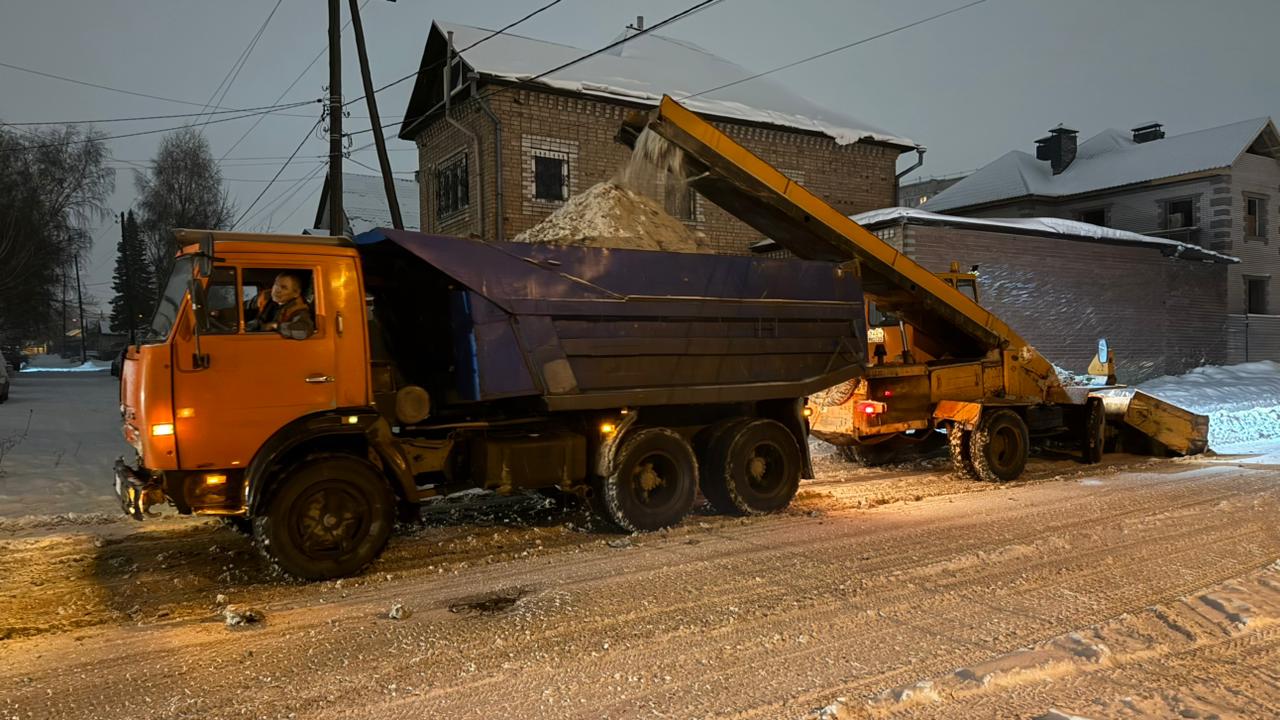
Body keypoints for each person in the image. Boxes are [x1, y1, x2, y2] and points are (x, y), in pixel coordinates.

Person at [247, 272, 314, 338]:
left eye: (284, 288)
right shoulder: (265, 297)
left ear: (296, 293)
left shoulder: (298, 310)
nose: (277, 290)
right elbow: (241, 308)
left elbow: (304, 331)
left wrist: (276, 326)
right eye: (276, 285)